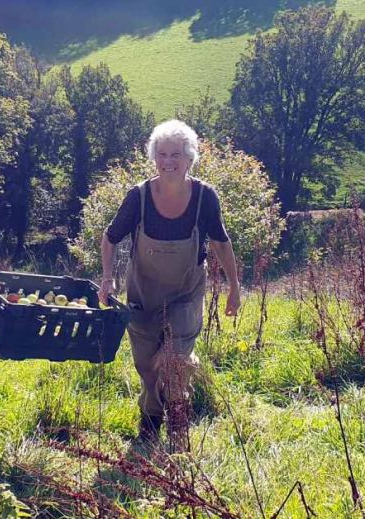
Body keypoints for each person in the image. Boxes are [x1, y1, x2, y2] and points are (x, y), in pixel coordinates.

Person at [98, 120, 240, 444]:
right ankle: (149, 432)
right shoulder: (139, 197)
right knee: (148, 368)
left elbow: (221, 242)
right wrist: (107, 278)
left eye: (175, 154)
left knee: (174, 363)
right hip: (144, 296)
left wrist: (234, 287)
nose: (168, 162)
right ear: (154, 158)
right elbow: (109, 239)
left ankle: (179, 435)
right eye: (161, 154)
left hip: (186, 296)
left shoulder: (205, 197)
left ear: (189, 158)